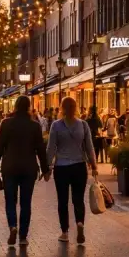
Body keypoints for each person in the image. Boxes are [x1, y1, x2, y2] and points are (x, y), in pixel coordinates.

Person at [0, 95, 50, 247]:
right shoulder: (35, 126)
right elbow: (40, 150)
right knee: (26, 202)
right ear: (28, 107)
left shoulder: (6, 124)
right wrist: (45, 169)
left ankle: (13, 226)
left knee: (10, 200)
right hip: (28, 168)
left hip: (9, 167)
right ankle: (23, 236)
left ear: (15, 107)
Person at [46, 96, 98, 245]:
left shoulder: (56, 126)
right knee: (78, 199)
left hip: (61, 167)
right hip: (79, 167)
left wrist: (47, 167)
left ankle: (64, 232)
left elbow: (51, 148)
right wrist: (94, 165)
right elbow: (89, 147)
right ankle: (80, 223)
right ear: (75, 108)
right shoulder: (83, 125)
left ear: (61, 108)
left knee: (62, 200)